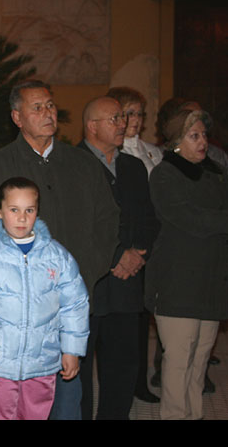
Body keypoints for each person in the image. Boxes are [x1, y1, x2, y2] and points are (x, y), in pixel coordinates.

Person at [0, 79, 119, 419]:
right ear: (17, 117)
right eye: (37, 107)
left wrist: (89, 268)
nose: (48, 113)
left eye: (50, 105)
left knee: (69, 395)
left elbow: (108, 220)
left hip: (68, 302)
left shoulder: (82, 164)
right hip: (13, 314)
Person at [0, 177, 89, 420]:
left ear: (37, 211)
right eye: (14, 210)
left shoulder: (57, 256)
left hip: (42, 364)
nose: (22, 218)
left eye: (29, 210)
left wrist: (71, 350)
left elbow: (75, 305)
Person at [145, 108, 228, 419]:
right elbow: (189, 219)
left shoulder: (215, 171)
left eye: (204, 134)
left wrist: (223, 220)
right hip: (178, 282)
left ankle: (194, 414)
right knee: (178, 360)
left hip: (212, 279)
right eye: (194, 136)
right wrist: (225, 219)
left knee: (200, 359)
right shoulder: (165, 174)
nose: (203, 141)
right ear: (177, 141)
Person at [77, 97, 159, 419]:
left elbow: (150, 219)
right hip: (90, 284)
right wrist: (116, 256)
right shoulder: (74, 164)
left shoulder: (133, 166)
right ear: (92, 126)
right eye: (114, 118)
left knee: (124, 365)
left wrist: (139, 253)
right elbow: (77, 225)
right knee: (78, 369)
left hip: (128, 284)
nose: (122, 123)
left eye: (123, 117)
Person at [105, 87, 161, 404]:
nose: (134, 120)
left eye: (139, 113)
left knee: (143, 316)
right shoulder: (105, 156)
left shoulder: (154, 154)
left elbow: (153, 209)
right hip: (120, 249)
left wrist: (143, 249)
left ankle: (140, 379)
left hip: (146, 244)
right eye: (127, 113)